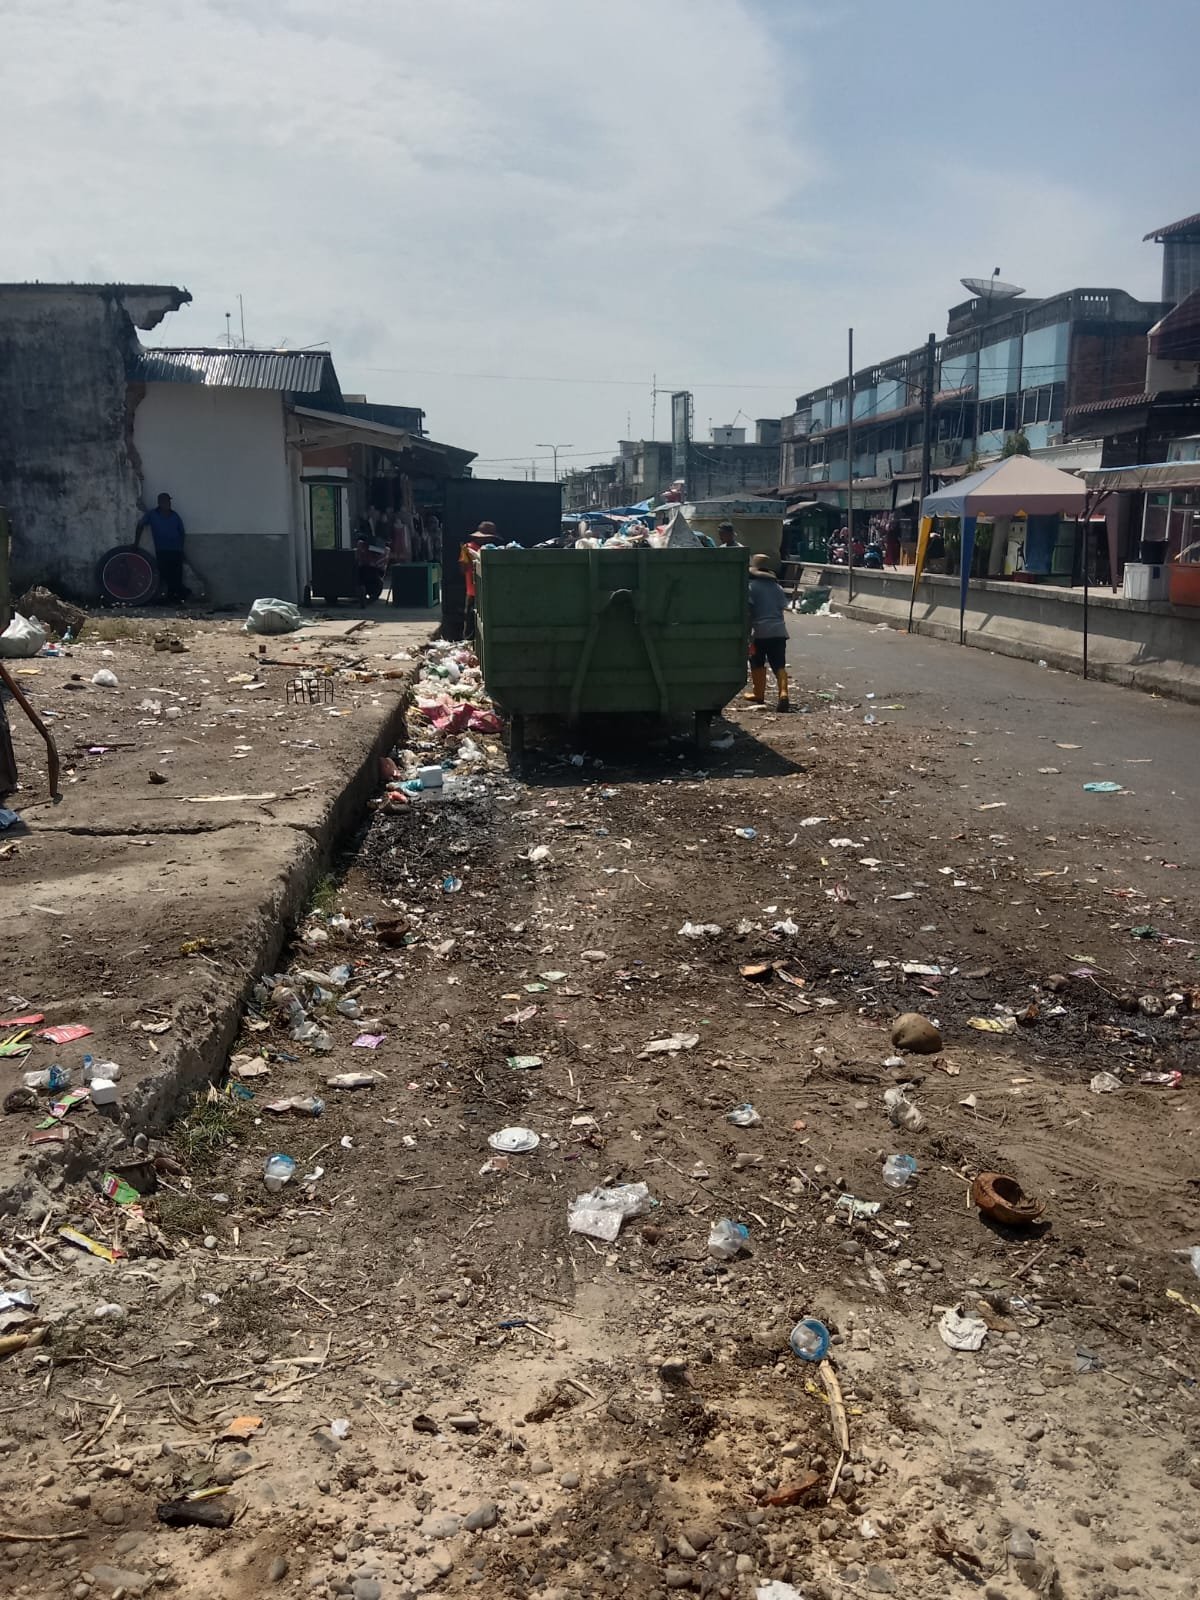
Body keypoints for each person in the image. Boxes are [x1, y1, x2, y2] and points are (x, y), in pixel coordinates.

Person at [744, 552, 790, 712]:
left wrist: (748, 633)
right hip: (779, 630)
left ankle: (758, 694)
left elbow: (749, 612)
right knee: (779, 664)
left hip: (760, 632)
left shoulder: (750, 587)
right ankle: (783, 693)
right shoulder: (777, 588)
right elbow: (782, 608)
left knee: (757, 661)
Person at [135, 492, 187, 604]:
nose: (168, 504)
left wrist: (182, 549)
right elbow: (140, 525)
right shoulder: (152, 514)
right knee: (165, 573)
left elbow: (182, 533)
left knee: (177, 574)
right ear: (160, 503)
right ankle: (177, 595)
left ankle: (176, 597)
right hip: (162, 549)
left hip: (176, 549)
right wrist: (136, 543)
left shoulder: (175, 516)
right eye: (166, 501)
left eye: (169, 501)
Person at [459, 521, 498, 637]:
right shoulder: (468, 548)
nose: (488, 540)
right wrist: (468, 557)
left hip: (488, 592)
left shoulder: (490, 549)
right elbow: (462, 569)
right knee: (470, 624)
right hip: (473, 592)